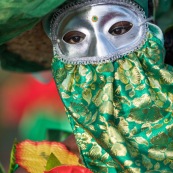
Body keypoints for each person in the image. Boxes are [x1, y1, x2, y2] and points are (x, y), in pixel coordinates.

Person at [43, 0, 173, 172]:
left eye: (119, 30)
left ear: (153, 34)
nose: (104, 55)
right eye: (76, 38)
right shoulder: (46, 163)